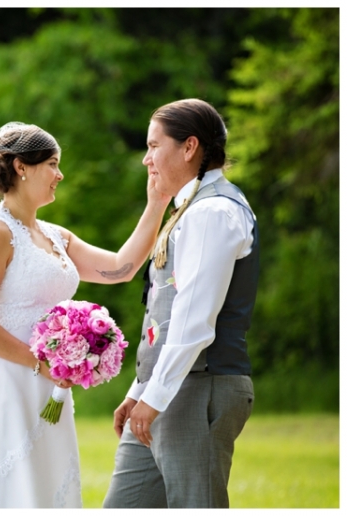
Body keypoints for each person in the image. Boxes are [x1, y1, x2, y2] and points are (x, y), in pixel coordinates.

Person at [0, 121, 170, 508]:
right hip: (4, 383)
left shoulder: (57, 236)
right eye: (53, 164)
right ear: (22, 167)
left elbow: (122, 268)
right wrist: (40, 364)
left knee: (44, 489)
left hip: (49, 386)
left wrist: (156, 202)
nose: (60, 175)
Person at [102, 98, 259, 508]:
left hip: (200, 387)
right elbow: (165, 311)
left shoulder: (214, 212)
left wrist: (153, 397)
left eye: (154, 146)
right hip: (167, 388)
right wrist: (141, 389)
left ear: (189, 147)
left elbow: (193, 322)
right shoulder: (187, 209)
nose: (146, 159)